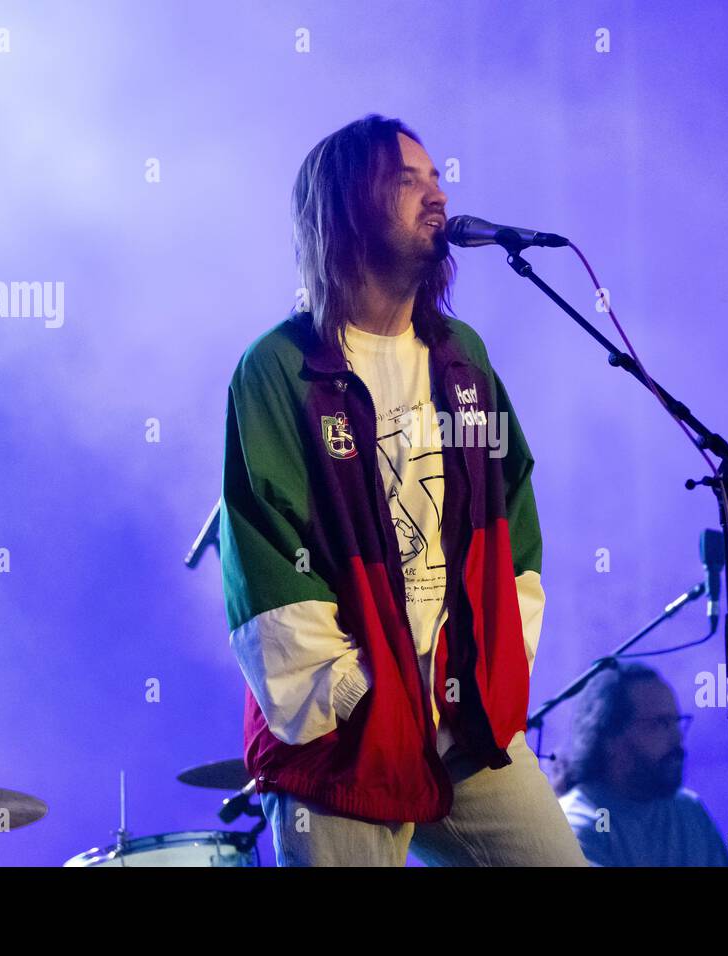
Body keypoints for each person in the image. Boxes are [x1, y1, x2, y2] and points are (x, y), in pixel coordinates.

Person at [219, 114, 586, 866]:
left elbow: (510, 517)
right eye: (407, 180)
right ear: (348, 207)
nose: (438, 196)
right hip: (345, 744)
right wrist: (359, 695)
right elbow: (265, 554)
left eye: (438, 178)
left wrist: (492, 668)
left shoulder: (461, 358)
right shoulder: (278, 371)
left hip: (464, 717)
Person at [555, 660, 728, 866]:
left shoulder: (690, 810)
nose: (677, 738)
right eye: (660, 724)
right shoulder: (576, 824)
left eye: (676, 722)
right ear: (609, 736)